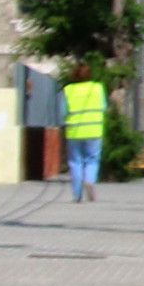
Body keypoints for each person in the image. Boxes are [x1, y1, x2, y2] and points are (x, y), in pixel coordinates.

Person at [59, 73, 107, 201]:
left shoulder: (68, 90)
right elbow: (103, 107)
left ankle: (77, 194)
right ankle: (89, 180)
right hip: (94, 130)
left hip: (74, 132)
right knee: (92, 159)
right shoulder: (97, 88)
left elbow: (63, 112)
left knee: (75, 162)